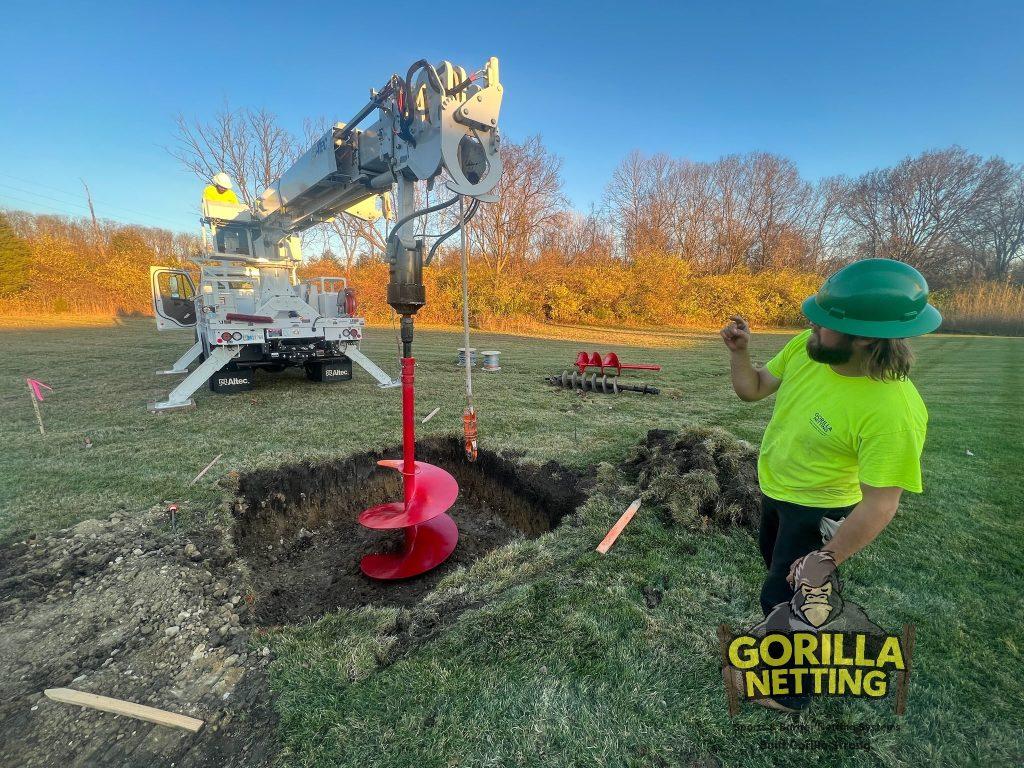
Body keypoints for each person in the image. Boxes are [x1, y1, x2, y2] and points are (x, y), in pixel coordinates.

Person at [722, 258, 942, 618]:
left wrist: (825, 559)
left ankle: (795, 669)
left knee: (784, 597)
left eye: (826, 321)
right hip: (775, 489)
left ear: (866, 337)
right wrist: (740, 353)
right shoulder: (807, 349)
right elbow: (754, 388)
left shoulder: (894, 412)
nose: (812, 324)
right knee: (775, 567)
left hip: (816, 510)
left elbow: (880, 504)